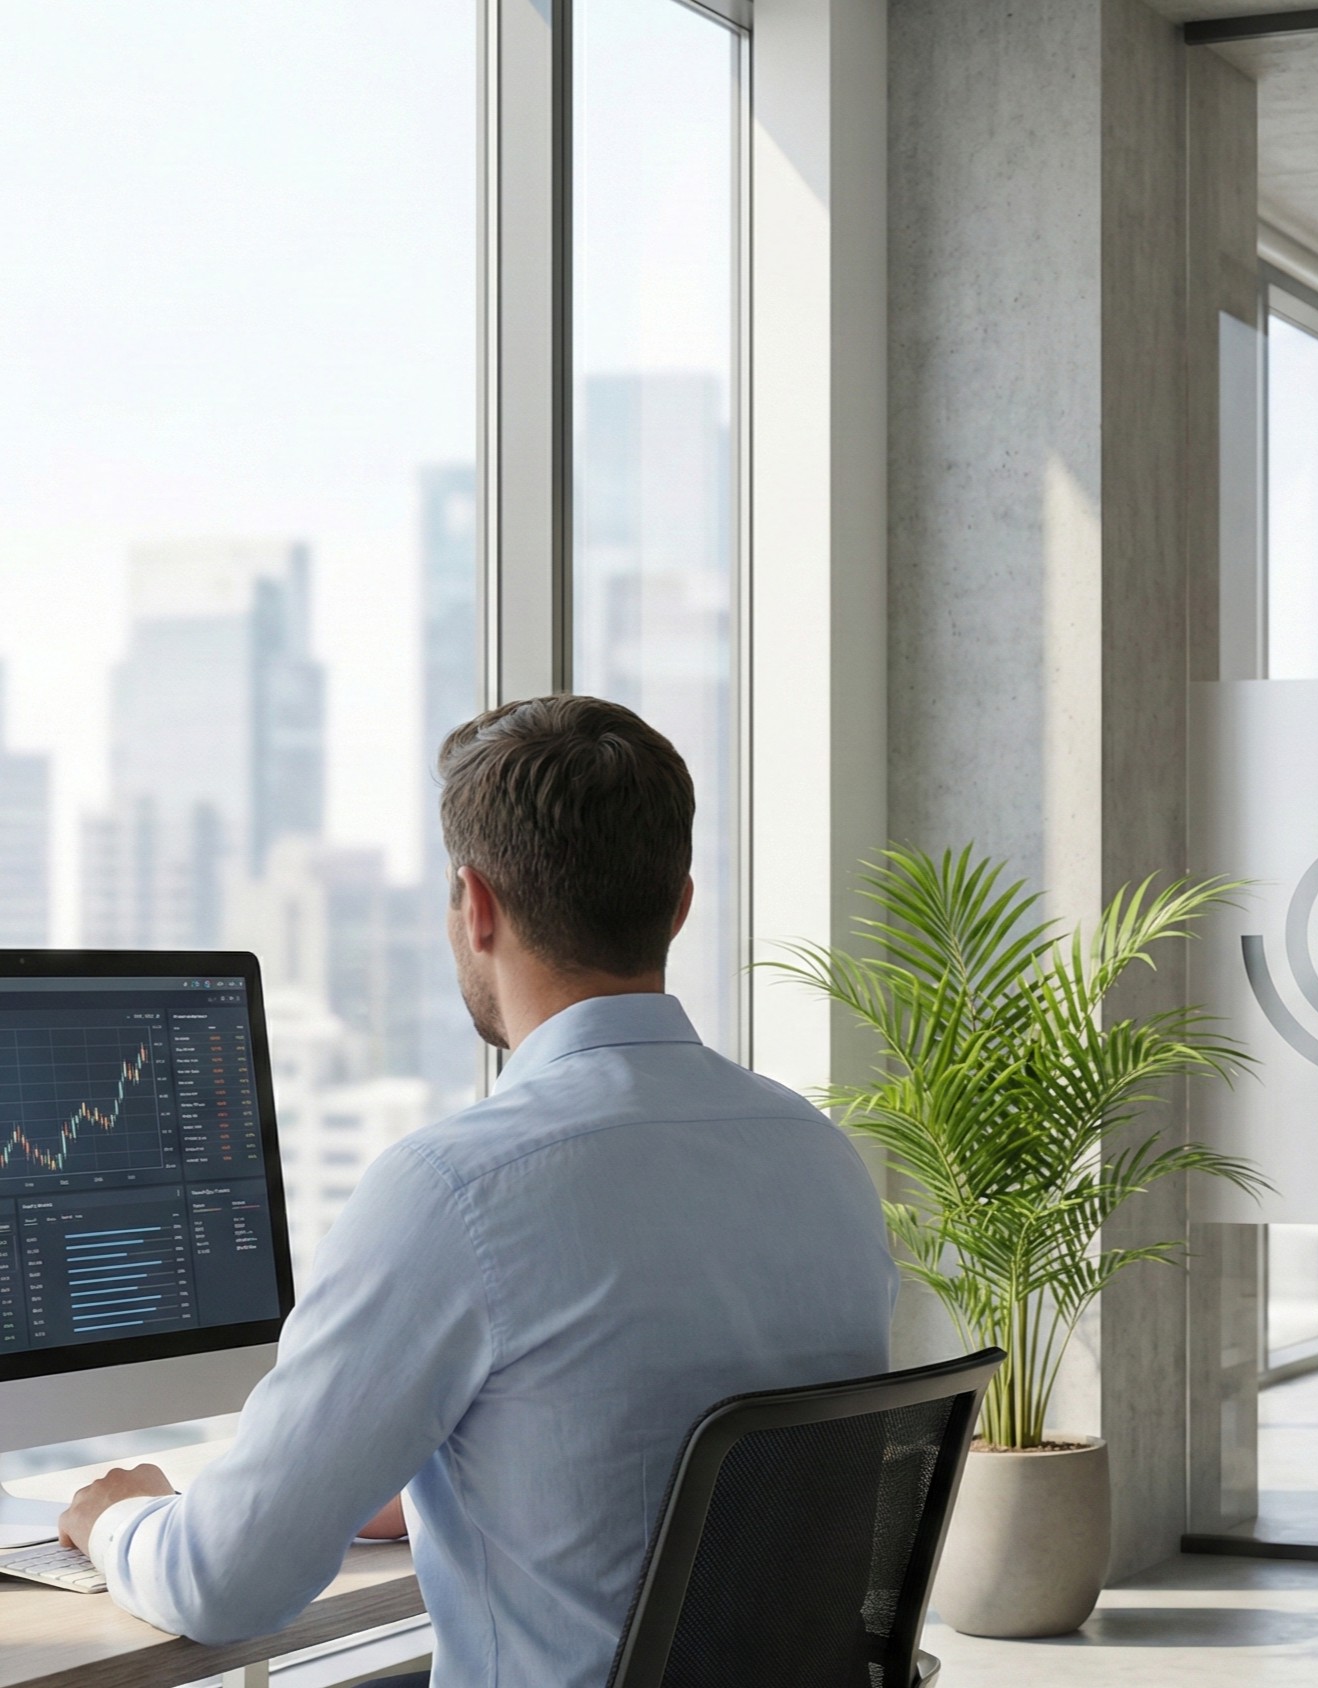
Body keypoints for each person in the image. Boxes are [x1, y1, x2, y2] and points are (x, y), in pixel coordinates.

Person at [59, 696, 897, 1688]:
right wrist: (432, 1478)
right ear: (679, 903)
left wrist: (112, 1515)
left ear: (476, 901)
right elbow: (679, 1468)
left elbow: (221, 1582)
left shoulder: (453, 1190)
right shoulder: (820, 1156)